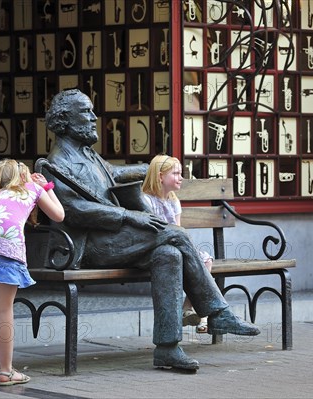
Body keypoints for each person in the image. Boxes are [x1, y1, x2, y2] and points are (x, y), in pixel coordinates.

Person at [42, 88, 260, 372]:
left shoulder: (88, 156)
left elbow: (114, 174)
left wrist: (149, 167)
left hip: (112, 239)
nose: (94, 117)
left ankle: (168, 348)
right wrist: (131, 217)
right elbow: (74, 211)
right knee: (176, 233)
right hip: (89, 245)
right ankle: (218, 311)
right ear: (65, 120)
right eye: (86, 112)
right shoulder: (58, 162)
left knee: (169, 254)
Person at [0, 159, 65, 386]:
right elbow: (59, 215)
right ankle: (6, 372)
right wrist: (46, 188)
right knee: (4, 308)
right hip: (6, 240)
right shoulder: (33, 187)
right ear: (24, 175)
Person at [142, 154, 213, 333]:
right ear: (160, 177)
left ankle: (188, 307)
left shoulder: (173, 200)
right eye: (176, 173)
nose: (181, 177)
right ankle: (203, 314)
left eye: (181, 173)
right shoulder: (146, 200)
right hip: (156, 249)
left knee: (205, 260)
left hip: (176, 245)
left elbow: (179, 229)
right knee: (187, 261)